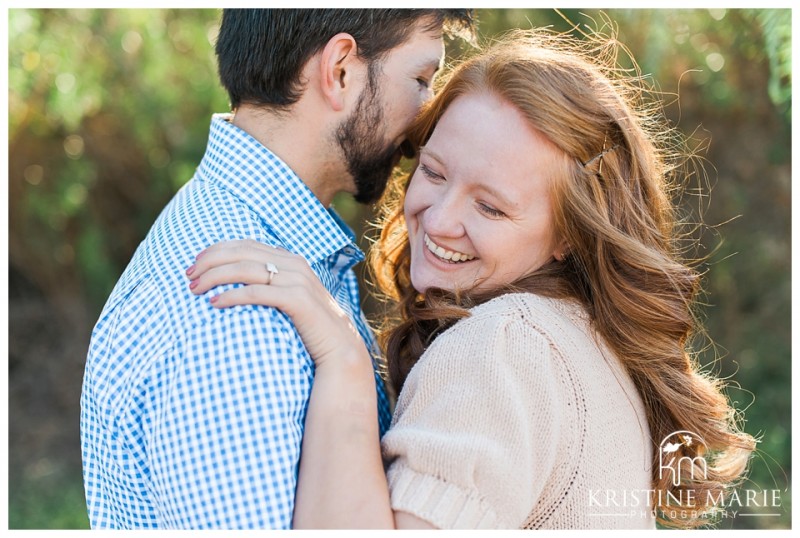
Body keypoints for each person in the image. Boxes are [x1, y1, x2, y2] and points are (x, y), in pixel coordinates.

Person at [186, 28, 756, 529]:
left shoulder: (504, 347)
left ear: (568, 236)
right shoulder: (577, 336)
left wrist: (344, 360)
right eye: (433, 172)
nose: (438, 219)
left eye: (490, 208)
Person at [80, 8, 475, 529]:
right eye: (421, 80)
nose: (425, 122)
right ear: (340, 71)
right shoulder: (237, 311)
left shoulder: (266, 251)